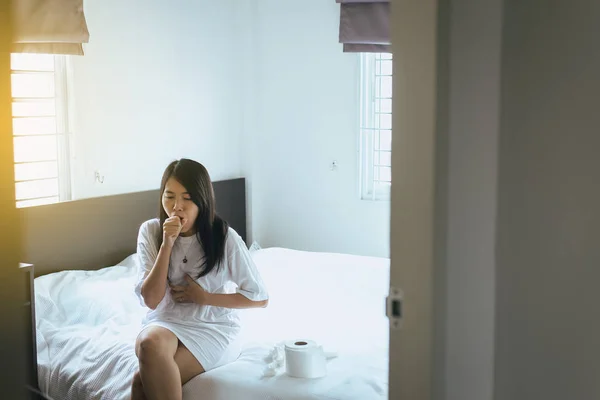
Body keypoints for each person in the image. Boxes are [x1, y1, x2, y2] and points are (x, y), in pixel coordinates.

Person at [130, 159, 269, 400]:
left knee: (141, 384)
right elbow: (152, 300)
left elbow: (259, 298)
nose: (176, 207)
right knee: (148, 344)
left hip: (213, 327)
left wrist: (204, 297)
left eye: (187, 198)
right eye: (170, 196)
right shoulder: (152, 232)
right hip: (167, 321)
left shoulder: (223, 236)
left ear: (202, 201)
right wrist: (167, 244)